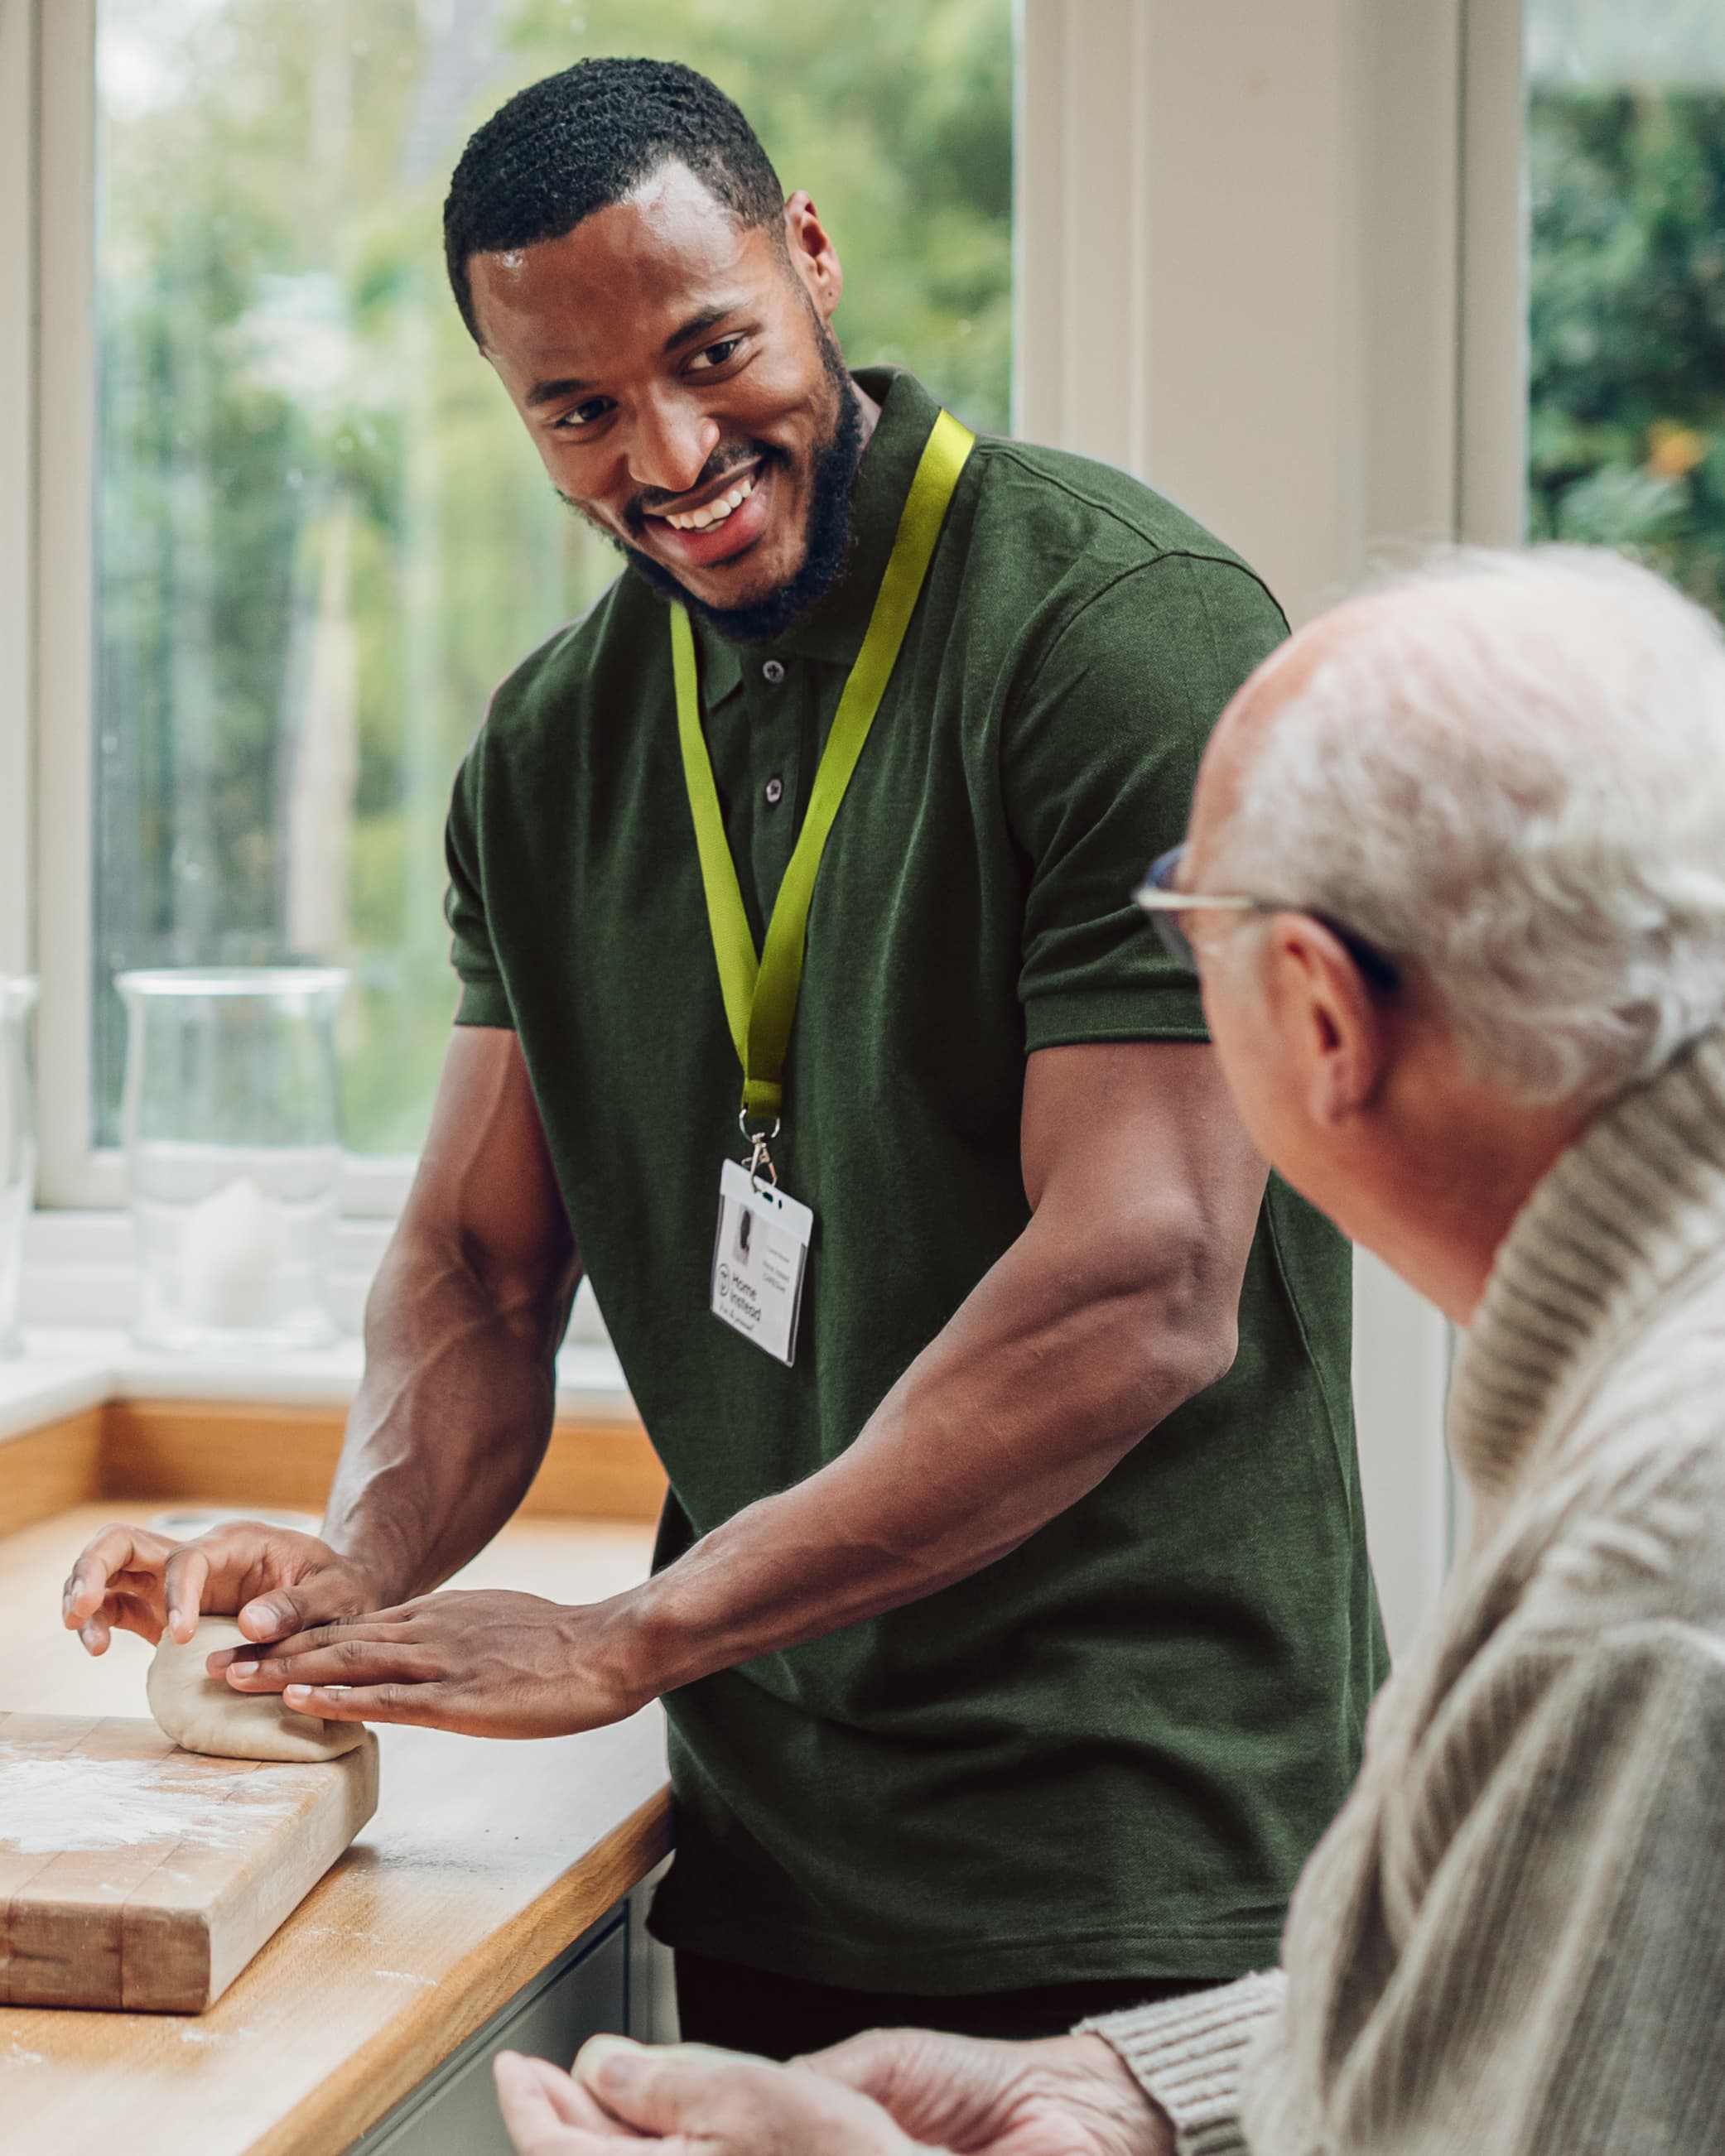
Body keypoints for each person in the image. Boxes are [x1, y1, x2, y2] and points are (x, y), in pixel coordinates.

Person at [60, 58, 1382, 2054]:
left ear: (815, 261)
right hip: (774, 1862)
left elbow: (1144, 1285)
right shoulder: (541, 756)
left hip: (1150, 1876)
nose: (668, 451)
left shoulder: (1120, 633)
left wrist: (628, 1635)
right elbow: (484, 1269)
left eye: (712, 350)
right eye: (576, 410)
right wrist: (356, 1571)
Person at [489, 545, 1725, 2154]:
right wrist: (1123, 2088)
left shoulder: (1642, 1589)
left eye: (1184, 924)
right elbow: (1546, 1983)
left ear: (1316, 1011)